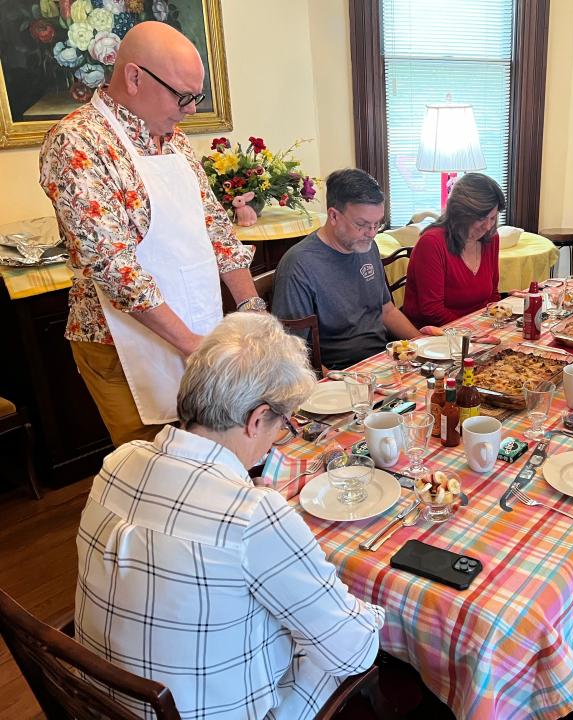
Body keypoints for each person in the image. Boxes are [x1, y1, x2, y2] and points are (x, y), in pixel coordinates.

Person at [75, 312, 384, 719]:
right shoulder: (253, 516)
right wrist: (373, 612)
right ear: (256, 419)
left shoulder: (118, 463)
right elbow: (354, 653)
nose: (278, 440)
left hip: (97, 704)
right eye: (282, 425)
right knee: (347, 642)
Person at [39, 22, 261, 447]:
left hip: (197, 330)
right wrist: (191, 346)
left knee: (212, 453)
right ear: (135, 77)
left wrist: (250, 305)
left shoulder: (174, 141)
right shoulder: (75, 143)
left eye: (196, 97)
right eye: (183, 96)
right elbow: (113, 268)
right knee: (160, 466)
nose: (191, 109)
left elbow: (215, 228)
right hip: (124, 344)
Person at [273, 169, 419, 370]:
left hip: (381, 359)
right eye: (362, 224)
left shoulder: (367, 246)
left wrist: (423, 345)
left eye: (377, 223)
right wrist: (333, 383)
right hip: (338, 371)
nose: (372, 233)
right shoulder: (299, 264)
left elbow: (387, 310)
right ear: (333, 216)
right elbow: (291, 348)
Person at [402, 173, 505, 328]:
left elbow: (492, 295)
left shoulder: (491, 238)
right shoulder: (432, 243)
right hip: (433, 335)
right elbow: (432, 310)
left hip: (475, 331)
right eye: (481, 218)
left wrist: (493, 321)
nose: (488, 226)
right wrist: (471, 331)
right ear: (459, 213)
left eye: (492, 218)